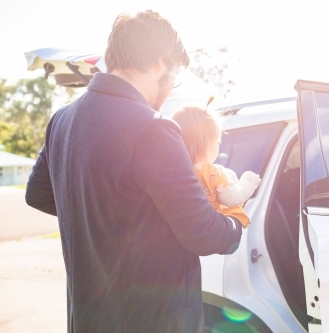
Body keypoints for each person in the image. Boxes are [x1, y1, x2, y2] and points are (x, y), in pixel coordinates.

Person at [25, 10, 242, 333]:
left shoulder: (62, 120)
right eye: (172, 77)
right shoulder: (152, 129)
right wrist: (237, 220)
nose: (169, 89)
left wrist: (98, 217)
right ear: (158, 62)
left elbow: (38, 194)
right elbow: (203, 233)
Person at [172, 106, 261, 228]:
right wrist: (250, 180)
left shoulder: (175, 171)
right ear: (206, 143)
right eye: (218, 142)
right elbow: (233, 198)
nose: (218, 147)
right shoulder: (214, 173)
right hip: (212, 229)